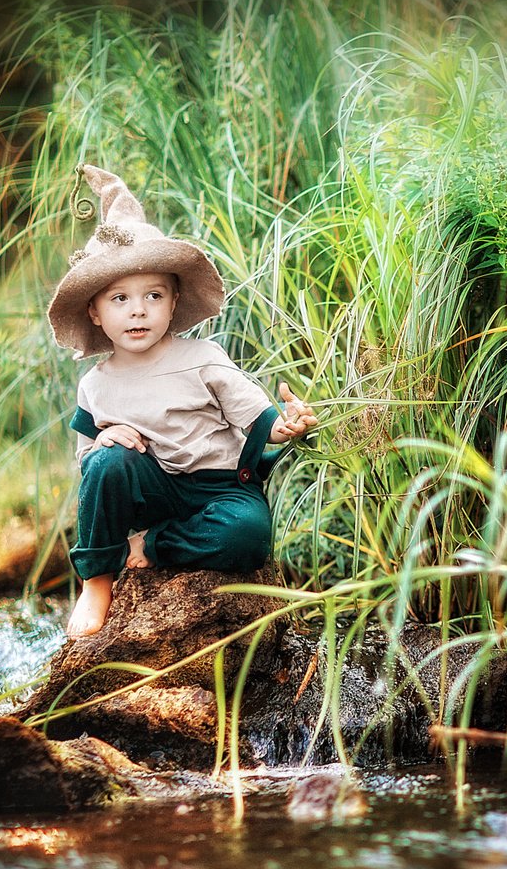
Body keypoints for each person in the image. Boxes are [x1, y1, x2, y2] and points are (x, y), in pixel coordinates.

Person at [46, 163, 318, 638]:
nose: (137, 310)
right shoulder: (96, 384)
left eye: (153, 295)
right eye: (119, 299)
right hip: (153, 488)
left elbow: (256, 418)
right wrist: (106, 438)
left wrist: (288, 424)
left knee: (248, 535)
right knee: (108, 462)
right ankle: (96, 581)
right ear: (94, 311)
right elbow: (90, 471)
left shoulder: (203, 357)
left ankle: (152, 546)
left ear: (173, 303)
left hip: (219, 488)